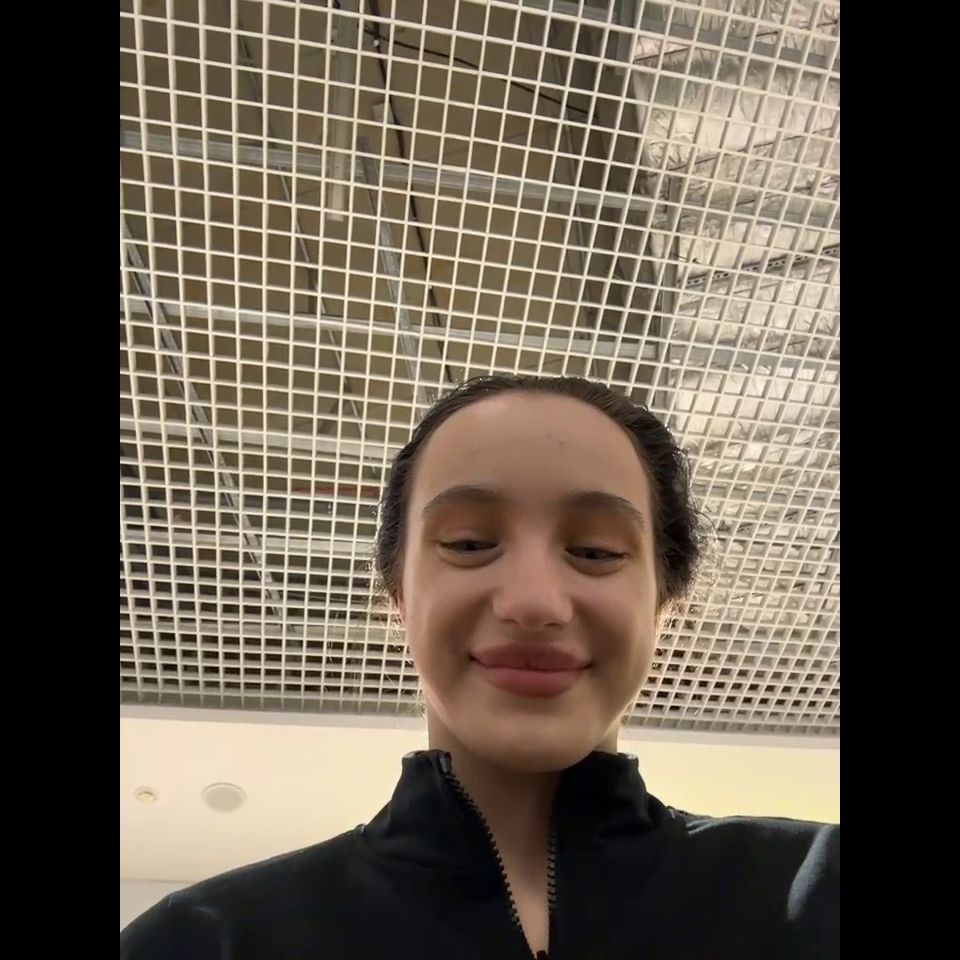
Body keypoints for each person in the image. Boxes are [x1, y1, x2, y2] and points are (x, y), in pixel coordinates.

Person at [120, 374, 839, 959]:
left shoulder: (818, 895)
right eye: (467, 544)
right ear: (398, 595)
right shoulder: (205, 941)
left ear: (664, 604)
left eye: (595, 551)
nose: (533, 602)